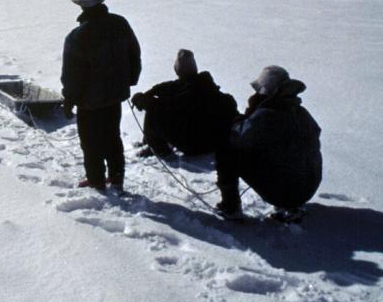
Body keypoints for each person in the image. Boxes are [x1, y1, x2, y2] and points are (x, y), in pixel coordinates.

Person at [61, 0, 141, 192]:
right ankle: (116, 180)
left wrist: (69, 100)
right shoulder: (120, 23)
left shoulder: (77, 36)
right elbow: (134, 54)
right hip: (116, 93)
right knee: (112, 137)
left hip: (90, 100)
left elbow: (72, 75)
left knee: (90, 142)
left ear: (80, 5)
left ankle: (96, 180)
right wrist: (129, 80)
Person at [215, 66, 322, 221]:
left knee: (227, 151)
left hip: (286, 193)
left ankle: (230, 207)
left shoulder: (266, 116)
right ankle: (291, 203)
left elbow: (237, 136)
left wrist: (249, 113)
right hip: (308, 187)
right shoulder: (301, 112)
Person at [131, 49, 238, 158]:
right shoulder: (203, 84)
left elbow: (164, 104)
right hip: (214, 141)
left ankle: (159, 149)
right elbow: (170, 87)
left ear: (178, 71)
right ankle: (149, 142)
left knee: (153, 111)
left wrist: (144, 101)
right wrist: (150, 93)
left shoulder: (188, 93)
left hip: (198, 145)